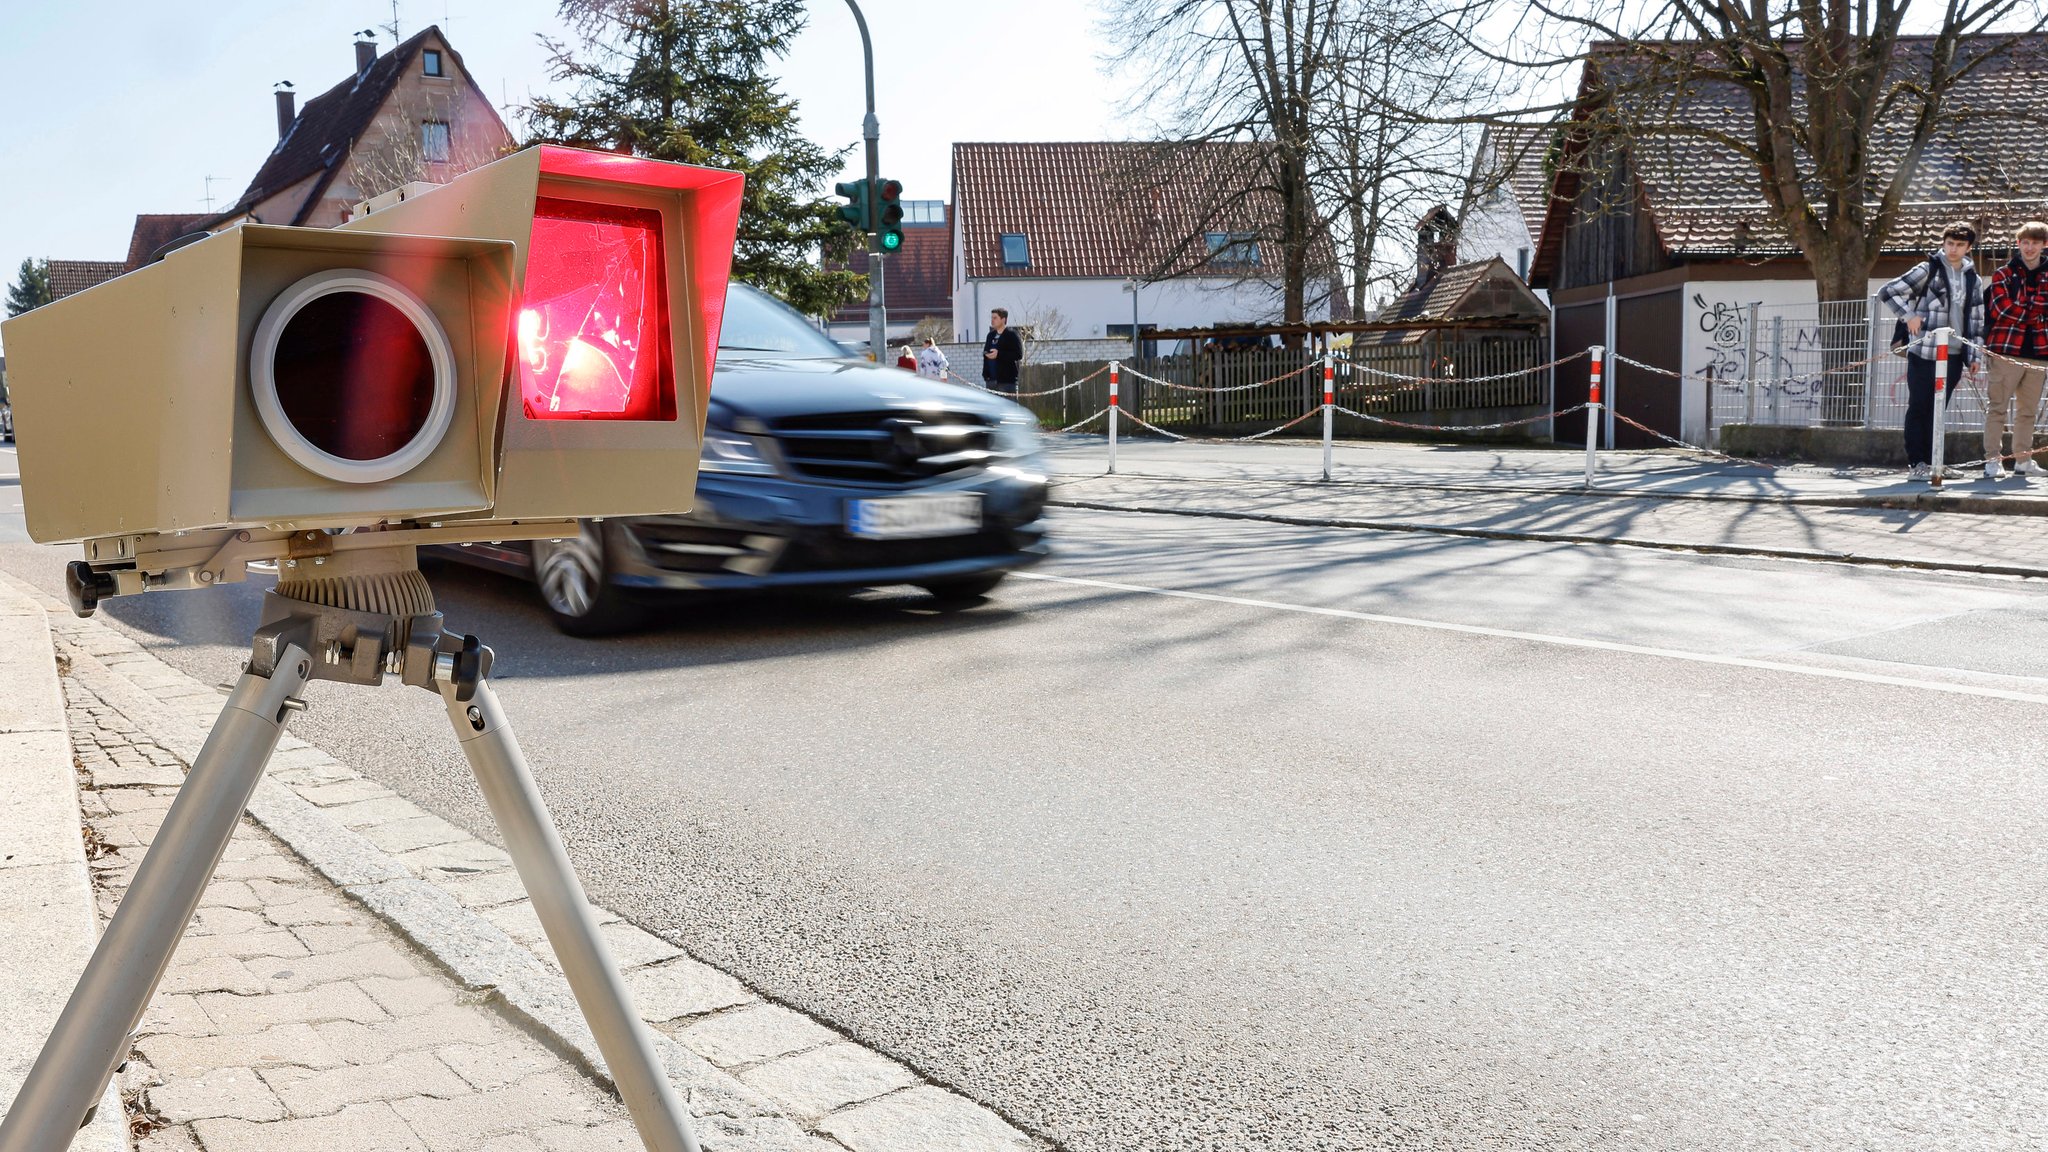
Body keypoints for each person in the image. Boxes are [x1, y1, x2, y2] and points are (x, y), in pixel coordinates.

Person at [1880, 221, 1986, 482]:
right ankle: (1917, 463)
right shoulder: (1927, 269)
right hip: (1924, 351)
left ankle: (1935, 461)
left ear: (1969, 247)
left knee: (1940, 408)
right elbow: (1888, 291)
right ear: (1944, 242)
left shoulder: (1973, 278)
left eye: (1960, 245)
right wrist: (1908, 316)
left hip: (1954, 353)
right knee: (1920, 406)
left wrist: (1974, 356)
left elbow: (1977, 319)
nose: (1953, 249)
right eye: (1949, 243)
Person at [1983, 220, 2048, 478]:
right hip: (2005, 349)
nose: (2029, 248)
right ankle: (1992, 460)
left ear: (2044, 245)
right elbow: (2001, 309)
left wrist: (2024, 308)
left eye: (2035, 242)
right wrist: (2035, 311)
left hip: (2040, 352)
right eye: (2025, 242)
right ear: (2018, 243)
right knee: (1997, 407)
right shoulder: (2003, 274)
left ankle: (2023, 460)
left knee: (2027, 411)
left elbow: (2026, 306)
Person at [981, 307, 1023, 394]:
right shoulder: (990, 335)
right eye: (991, 318)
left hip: (1006, 382)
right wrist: (986, 375)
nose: (992, 320)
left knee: (1009, 407)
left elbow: (1018, 354)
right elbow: (986, 352)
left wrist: (999, 354)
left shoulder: (1012, 335)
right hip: (991, 381)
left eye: (995, 318)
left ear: (1003, 319)